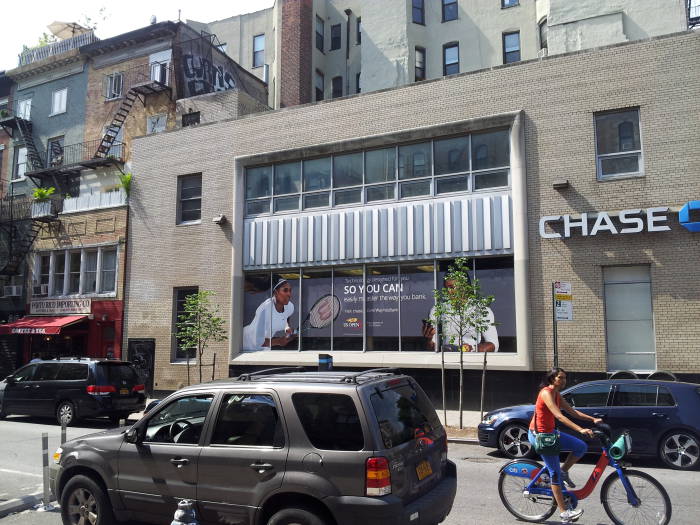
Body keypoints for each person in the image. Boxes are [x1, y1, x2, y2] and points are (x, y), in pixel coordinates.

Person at [529, 368, 602, 524]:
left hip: (551, 433)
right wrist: (580, 429)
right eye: (560, 378)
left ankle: (563, 471)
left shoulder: (556, 394)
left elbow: (572, 412)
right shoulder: (546, 393)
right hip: (540, 436)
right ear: (552, 379)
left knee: (581, 447)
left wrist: (592, 420)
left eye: (565, 378)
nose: (563, 381)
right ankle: (564, 513)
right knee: (554, 474)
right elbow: (559, 416)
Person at [422, 277, 499, 352]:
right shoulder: (438, 309)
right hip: (446, 359)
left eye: (452, 287)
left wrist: (472, 349)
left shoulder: (481, 310)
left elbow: (493, 345)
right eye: (446, 288)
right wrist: (429, 339)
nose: (448, 292)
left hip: (472, 360)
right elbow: (432, 348)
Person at [242, 277, 297, 351]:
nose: (289, 294)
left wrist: (287, 327)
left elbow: (286, 316)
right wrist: (279, 341)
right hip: (246, 344)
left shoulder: (290, 306)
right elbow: (257, 341)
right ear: (276, 292)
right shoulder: (265, 310)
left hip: (265, 345)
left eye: (290, 290)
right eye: (285, 290)